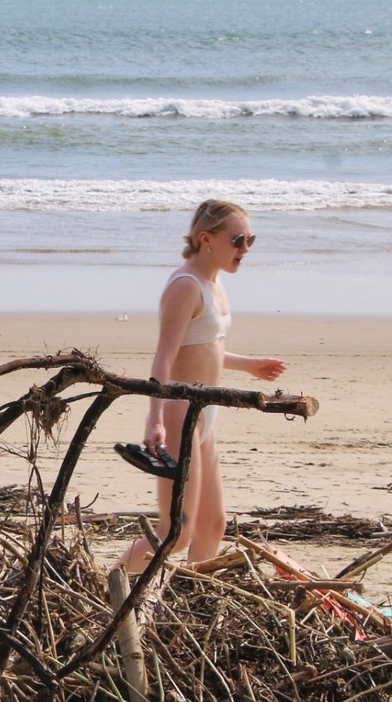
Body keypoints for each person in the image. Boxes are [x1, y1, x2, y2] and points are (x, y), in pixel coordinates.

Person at [118, 199, 286, 570]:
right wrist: (155, 418)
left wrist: (249, 366)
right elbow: (164, 357)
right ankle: (107, 587)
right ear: (206, 239)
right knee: (175, 532)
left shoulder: (215, 283)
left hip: (205, 412)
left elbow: (206, 349)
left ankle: (192, 596)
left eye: (250, 240)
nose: (245, 249)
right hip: (180, 412)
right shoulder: (185, 286)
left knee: (213, 525)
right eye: (238, 240)